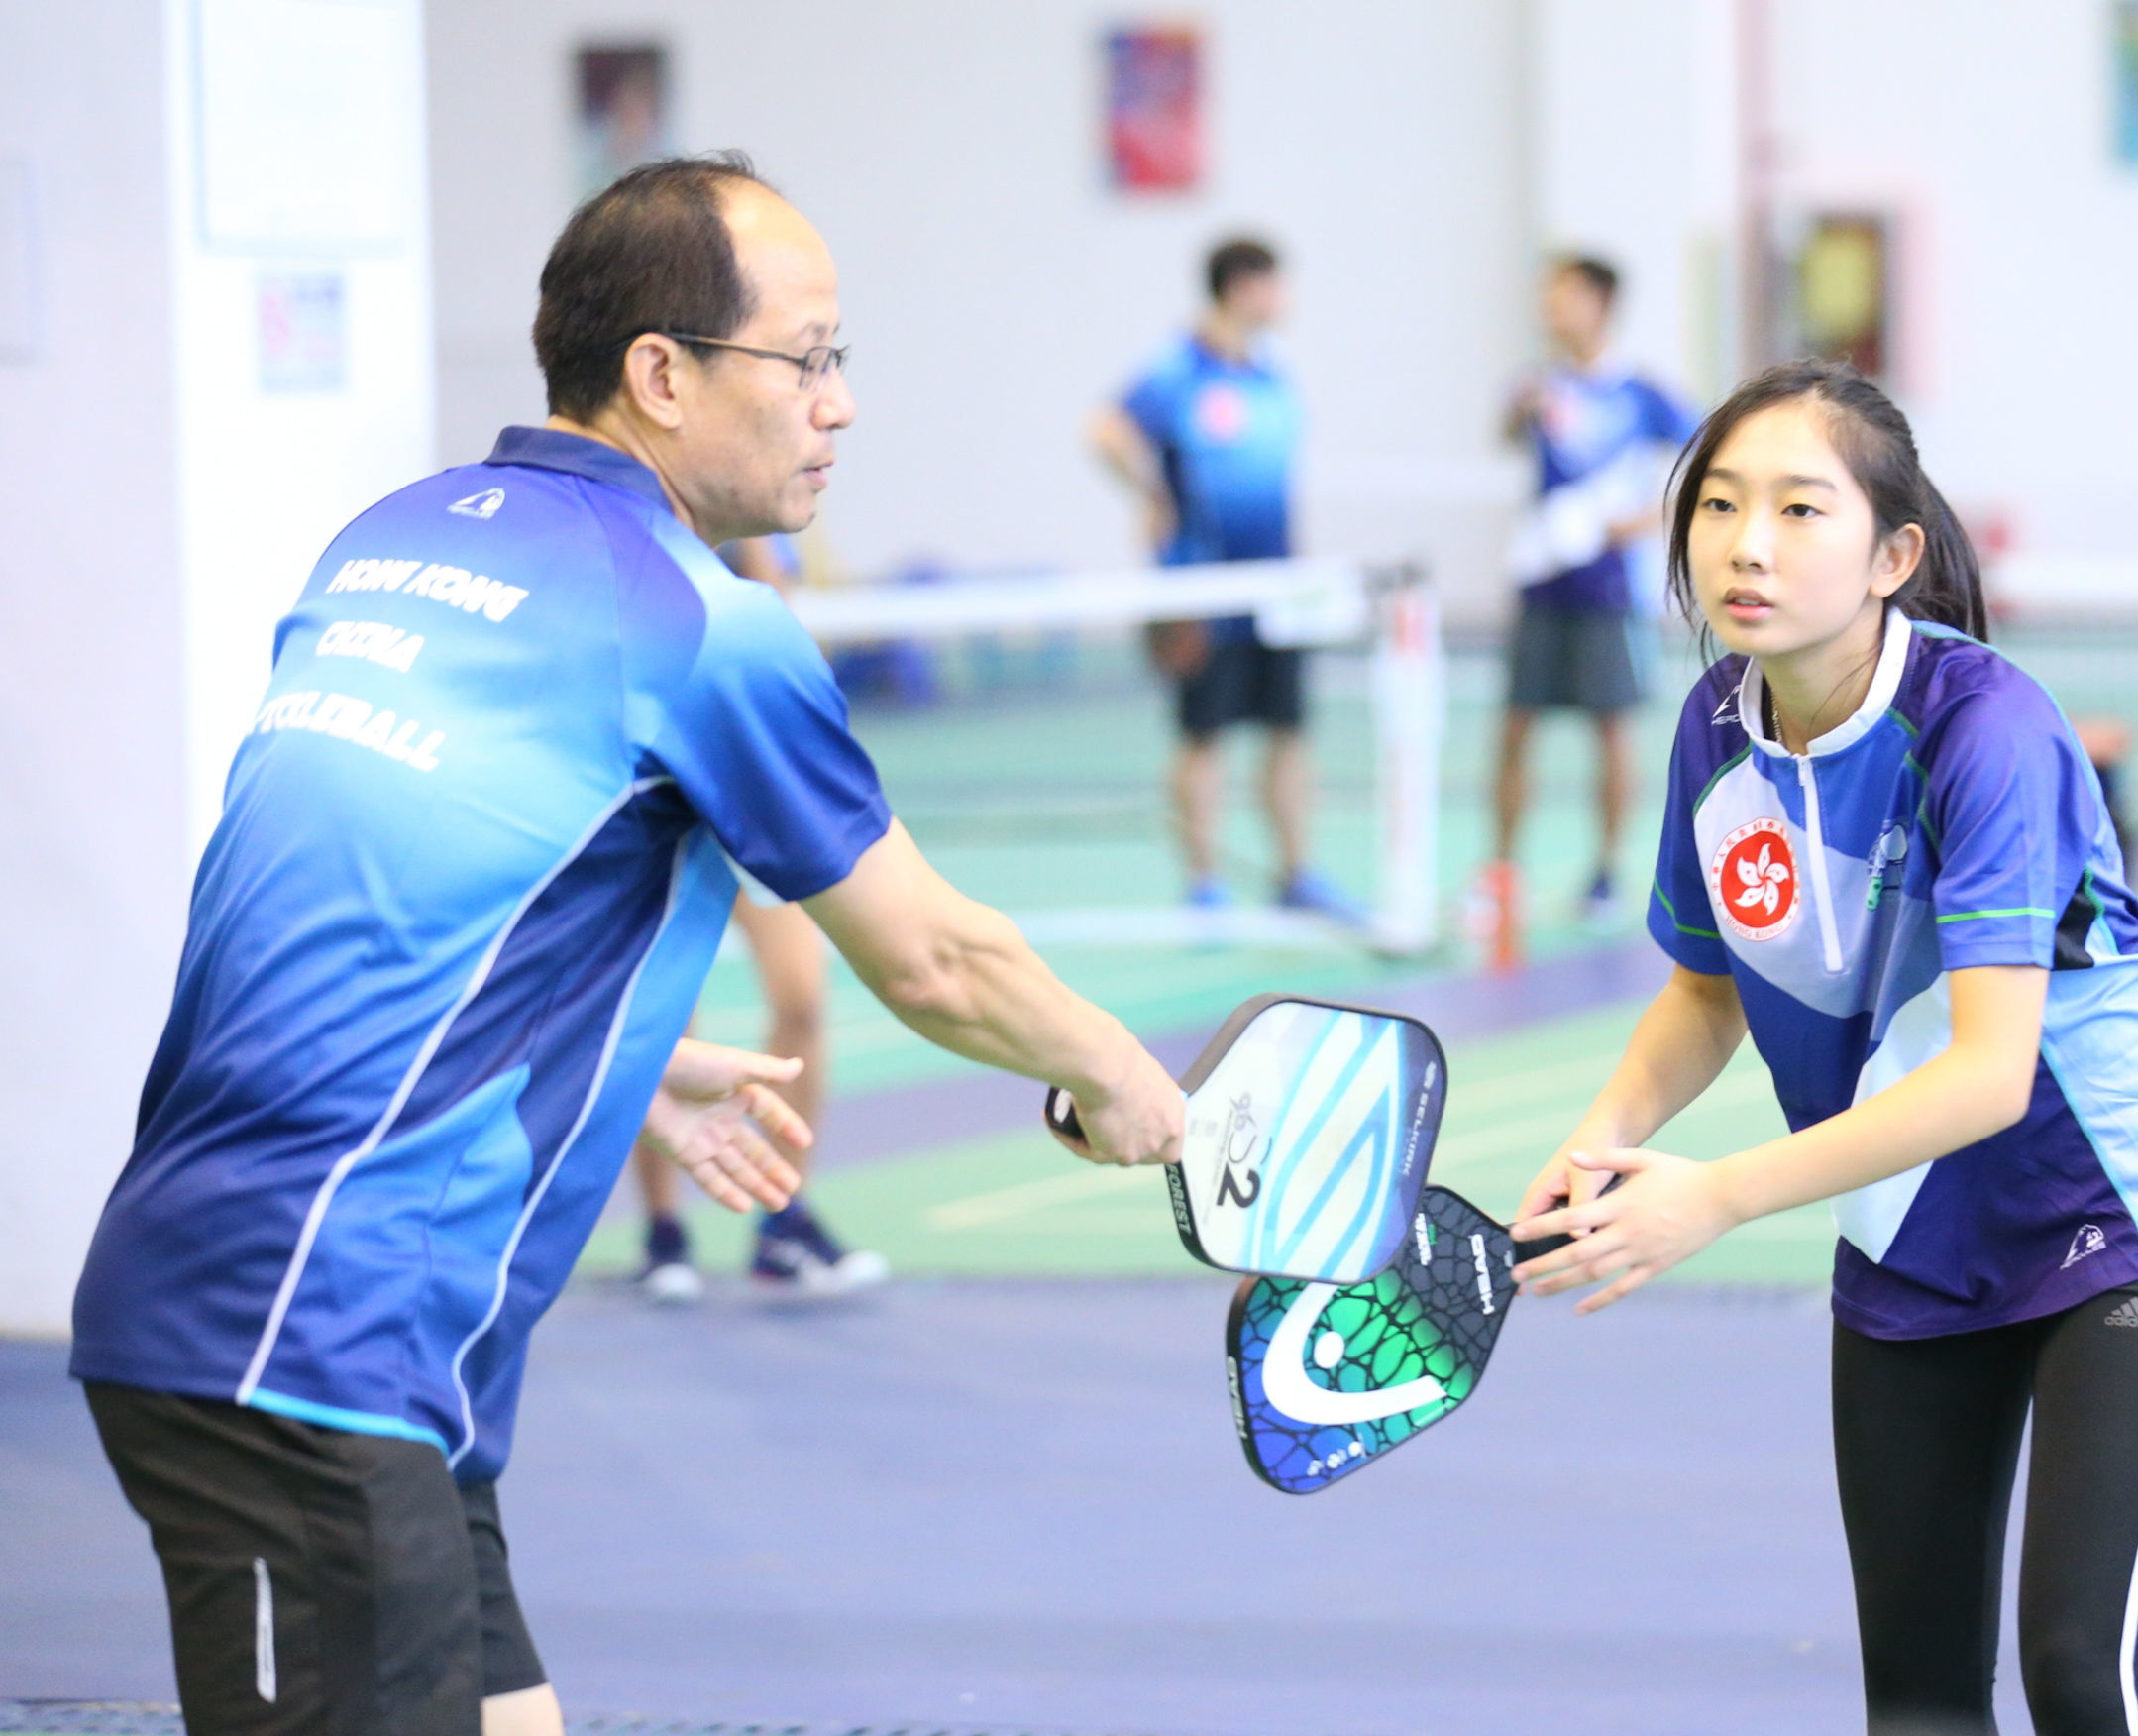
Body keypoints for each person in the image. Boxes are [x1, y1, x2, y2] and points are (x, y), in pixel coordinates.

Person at [69, 154, 1182, 1736]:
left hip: (349, 1345)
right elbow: (935, 961)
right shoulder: (698, 623)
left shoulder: (392, 539)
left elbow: (372, 892)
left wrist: (624, 1057)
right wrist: (1130, 1083)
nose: (840, 405)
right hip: (302, 1346)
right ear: (660, 374)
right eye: (808, 360)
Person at [1508, 361, 2138, 1736]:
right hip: (1907, 1224)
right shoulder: (1712, 731)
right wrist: (1604, 1142)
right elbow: (1706, 992)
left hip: (2112, 1216)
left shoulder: (1988, 729)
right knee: (1916, 1703)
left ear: (1892, 555)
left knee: (2082, 1675)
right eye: (1719, 506)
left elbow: (1988, 1073)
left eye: (1799, 510)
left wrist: (1717, 1193)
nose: (1746, 544)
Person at [632, 532, 886, 1301]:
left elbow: (798, 654)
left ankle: (783, 1221)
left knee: (802, 1002)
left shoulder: (787, 518)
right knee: (668, 1021)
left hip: (756, 793)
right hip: (677, 785)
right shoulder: (681, 512)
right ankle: (664, 1232)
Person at [1086, 237, 1356, 921]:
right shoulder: (1178, 367)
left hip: (1278, 584)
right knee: (1203, 736)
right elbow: (1105, 430)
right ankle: (1204, 882)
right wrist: (1151, 495)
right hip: (1202, 587)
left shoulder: (1272, 369)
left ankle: (1298, 871)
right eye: (1274, 284)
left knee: (1287, 731)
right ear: (1240, 288)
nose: (1284, 299)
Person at [1484, 254, 1694, 951]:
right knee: (1515, 728)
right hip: (1543, 581)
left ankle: (1605, 872)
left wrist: (1638, 523)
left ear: (1600, 303)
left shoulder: (1640, 393)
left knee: (1612, 732)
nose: (1552, 306)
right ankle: (1504, 872)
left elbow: (1702, 456)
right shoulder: (1539, 385)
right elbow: (1507, 438)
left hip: (1609, 592)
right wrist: (1519, 413)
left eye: (1566, 294)